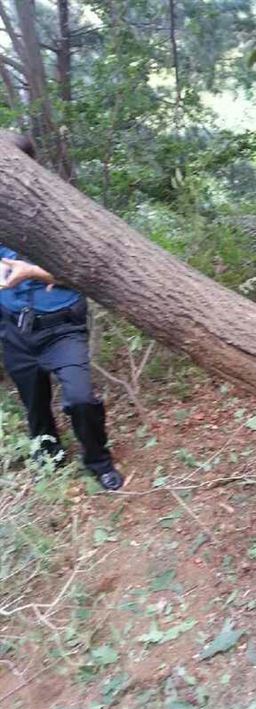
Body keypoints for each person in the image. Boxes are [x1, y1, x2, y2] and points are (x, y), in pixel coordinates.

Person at [0, 137, 124, 491]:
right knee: (34, 403)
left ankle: (99, 462)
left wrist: (33, 272)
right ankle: (48, 454)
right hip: (14, 328)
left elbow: (88, 271)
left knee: (80, 398)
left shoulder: (56, 213)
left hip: (61, 328)